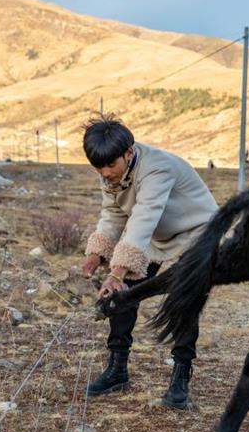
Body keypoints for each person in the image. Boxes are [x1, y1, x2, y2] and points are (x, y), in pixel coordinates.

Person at [81, 116, 218, 408]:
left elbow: (144, 217)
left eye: (110, 166)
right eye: (98, 168)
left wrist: (116, 271)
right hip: (158, 236)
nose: (105, 173)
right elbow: (114, 213)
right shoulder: (111, 171)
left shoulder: (157, 168)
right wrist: (98, 252)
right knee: (124, 294)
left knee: (185, 298)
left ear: (128, 153)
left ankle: (180, 380)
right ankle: (117, 370)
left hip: (197, 233)